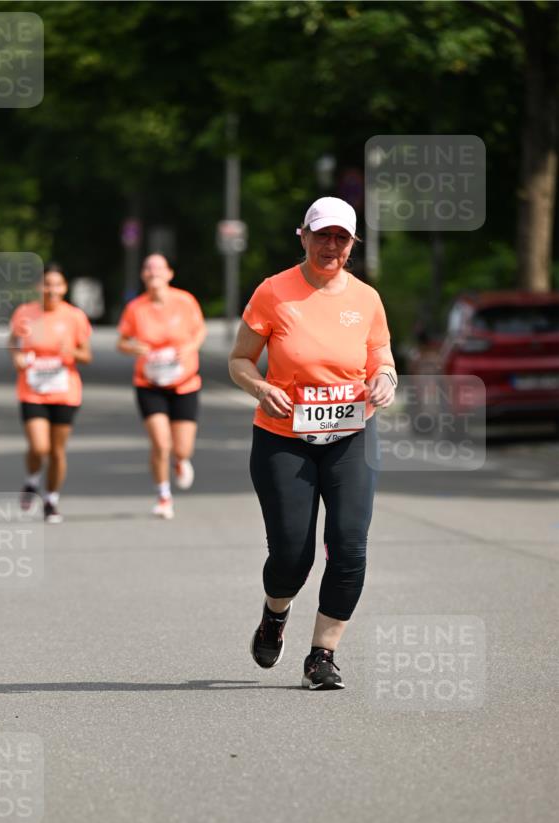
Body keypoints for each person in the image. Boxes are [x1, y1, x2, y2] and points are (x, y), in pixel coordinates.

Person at [228, 197, 397, 690]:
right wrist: (261, 387)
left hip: (352, 436)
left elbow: (381, 356)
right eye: (322, 235)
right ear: (302, 235)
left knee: (349, 547)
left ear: (352, 244)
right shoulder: (273, 292)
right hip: (284, 438)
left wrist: (386, 379)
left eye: (341, 238)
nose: (331, 245)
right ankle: (275, 615)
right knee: (291, 555)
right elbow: (240, 360)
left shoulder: (366, 298)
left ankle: (321, 655)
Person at [117, 254, 207, 520]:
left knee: (181, 448)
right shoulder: (136, 308)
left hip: (185, 382)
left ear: (169, 273)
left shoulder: (185, 301)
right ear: (143, 275)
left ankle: (180, 461)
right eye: (147, 268)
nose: (152, 271)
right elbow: (121, 342)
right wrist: (133, 347)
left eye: (158, 267)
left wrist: (190, 347)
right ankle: (163, 495)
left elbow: (199, 330)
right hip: (149, 383)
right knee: (160, 443)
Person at [8, 264, 92, 524]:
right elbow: (12, 341)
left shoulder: (75, 316)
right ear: (39, 287)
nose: (52, 289)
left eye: (57, 285)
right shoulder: (25, 313)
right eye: (47, 284)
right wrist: (17, 357)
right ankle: (32, 480)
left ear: (64, 288)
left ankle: (51, 500)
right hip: (32, 390)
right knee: (39, 446)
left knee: (57, 451)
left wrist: (72, 352)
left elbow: (86, 355)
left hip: (65, 391)